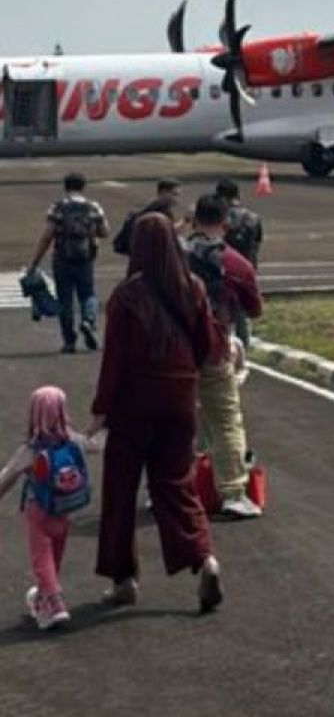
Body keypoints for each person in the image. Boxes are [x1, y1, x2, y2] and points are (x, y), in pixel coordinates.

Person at [89, 213, 223, 613]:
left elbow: (114, 362)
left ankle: (123, 578)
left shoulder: (126, 297)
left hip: (135, 402)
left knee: (120, 488)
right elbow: (205, 344)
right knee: (176, 483)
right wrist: (186, 380)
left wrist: (100, 412)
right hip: (180, 396)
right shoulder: (193, 289)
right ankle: (204, 560)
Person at [187, 194, 264, 519]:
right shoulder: (235, 263)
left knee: (177, 421)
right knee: (226, 420)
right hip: (215, 347)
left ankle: (164, 489)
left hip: (173, 350)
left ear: (193, 219)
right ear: (225, 223)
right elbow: (254, 308)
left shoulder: (171, 254)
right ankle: (232, 492)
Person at [0, 387, 99, 630]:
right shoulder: (73, 440)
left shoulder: (32, 450)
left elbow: (8, 476)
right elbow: (95, 444)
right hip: (64, 508)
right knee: (54, 554)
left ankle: (55, 602)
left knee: (41, 557)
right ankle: (44, 597)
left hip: (39, 510)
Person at [28, 172, 110, 353]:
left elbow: (47, 236)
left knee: (65, 299)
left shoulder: (57, 207)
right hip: (85, 258)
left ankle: (69, 341)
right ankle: (88, 320)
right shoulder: (93, 207)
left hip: (62, 259)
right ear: (83, 186)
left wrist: (34, 263)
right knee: (87, 294)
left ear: (66, 187)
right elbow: (105, 231)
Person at [215, 178, 264, 348]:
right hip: (246, 270)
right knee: (242, 314)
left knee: (220, 313)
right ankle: (244, 351)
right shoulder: (253, 217)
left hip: (222, 271)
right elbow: (257, 243)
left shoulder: (218, 217)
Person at [112, 178, 185, 255]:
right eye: (175, 194)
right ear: (163, 192)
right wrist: (187, 220)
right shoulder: (159, 210)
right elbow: (171, 232)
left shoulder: (152, 205)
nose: (178, 198)